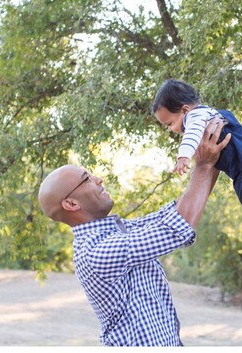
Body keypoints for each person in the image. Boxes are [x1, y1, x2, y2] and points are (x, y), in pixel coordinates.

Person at [37, 118, 230, 346]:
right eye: (86, 179)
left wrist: (214, 158)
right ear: (70, 204)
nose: (98, 179)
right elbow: (178, 226)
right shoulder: (97, 252)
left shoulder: (118, 231)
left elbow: (178, 213)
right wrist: (204, 164)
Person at [152, 79, 242, 253]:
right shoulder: (209, 115)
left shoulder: (195, 116)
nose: (170, 129)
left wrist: (183, 156)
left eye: (169, 124)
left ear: (185, 110)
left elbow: (191, 134)